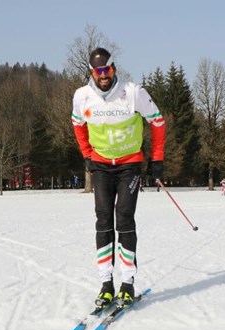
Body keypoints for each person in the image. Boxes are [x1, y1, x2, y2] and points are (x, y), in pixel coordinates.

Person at [71, 47, 166, 308]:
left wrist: (157, 158)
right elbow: (77, 124)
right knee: (103, 218)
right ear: (92, 72)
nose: (103, 75)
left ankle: (127, 283)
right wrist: (87, 154)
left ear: (114, 68)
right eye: (98, 71)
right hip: (101, 165)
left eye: (107, 69)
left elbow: (157, 122)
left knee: (123, 216)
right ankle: (105, 285)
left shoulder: (133, 93)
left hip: (129, 165)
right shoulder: (82, 96)